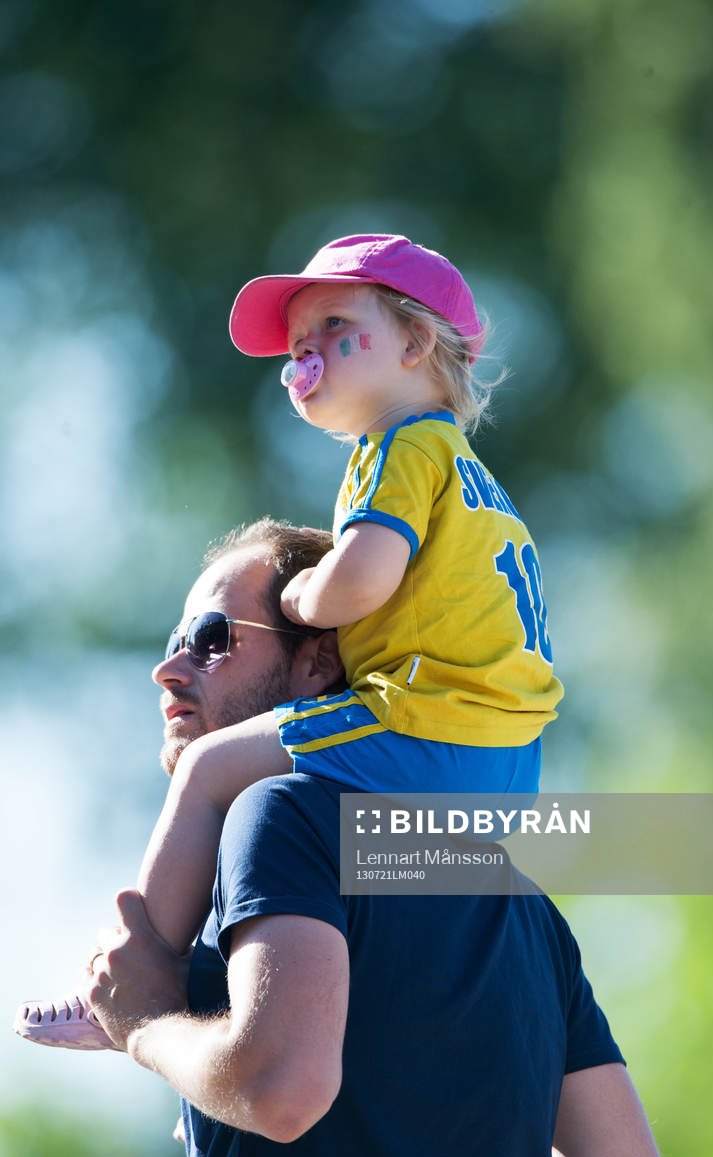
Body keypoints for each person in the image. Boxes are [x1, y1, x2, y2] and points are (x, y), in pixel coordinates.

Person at [81, 519, 674, 1157]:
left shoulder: (282, 811)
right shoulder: (525, 910)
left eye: (211, 636)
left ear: (319, 664)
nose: (169, 668)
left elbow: (284, 1091)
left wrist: (147, 1027)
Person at [16, 233, 564, 1048]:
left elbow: (365, 577)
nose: (307, 352)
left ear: (415, 344)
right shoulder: (474, 475)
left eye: (335, 327)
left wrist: (308, 594)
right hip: (508, 764)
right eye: (298, 344)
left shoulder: (400, 445)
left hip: (430, 728)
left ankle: (132, 980)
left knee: (209, 767)